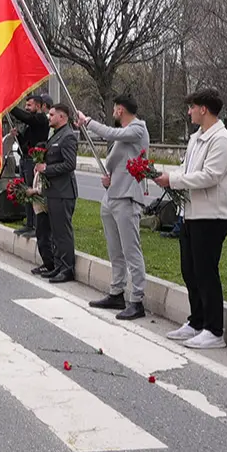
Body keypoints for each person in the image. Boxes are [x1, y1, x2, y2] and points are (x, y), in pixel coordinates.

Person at [157, 88, 227, 349]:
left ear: (204, 109)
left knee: (206, 272)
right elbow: (188, 170)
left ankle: (214, 330)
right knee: (189, 270)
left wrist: (175, 180)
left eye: (192, 107)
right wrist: (166, 175)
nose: (189, 112)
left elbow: (210, 176)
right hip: (190, 214)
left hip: (212, 216)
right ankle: (196, 321)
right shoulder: (195, 139)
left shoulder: (222, 140)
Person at [77, 95, 151, 321]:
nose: (113, 112)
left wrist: (88, 121)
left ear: (120, 110)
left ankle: (137, 299)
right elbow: (116, 163)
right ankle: (116, 291)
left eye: (114, 108)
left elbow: (110, 133)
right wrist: (110, 177)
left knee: (131, 250)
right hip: (112, 195)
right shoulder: (123, 138)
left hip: (127, 197)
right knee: (115, 250)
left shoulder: (137, 129)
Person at [35, 103, 79, 284]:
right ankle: (59, 266)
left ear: (62, 117)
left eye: (52, 115)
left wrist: (47, 168)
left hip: (63, 191)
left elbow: (70, 165)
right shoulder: (56, 136)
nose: (49, 117)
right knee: (56, 231)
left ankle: (67, 269)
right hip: (53, 191)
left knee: (63, 232)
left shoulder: (67, 137)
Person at [9, 95, 50, 233]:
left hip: (33, 162)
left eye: (29, 105)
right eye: (25, 105)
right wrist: (18, 136)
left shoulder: (40, 119)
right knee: (25, 191)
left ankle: (36, 225)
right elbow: (25, 143)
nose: (26, 108)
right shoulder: (30, 123)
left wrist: (9, 106)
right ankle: (29, 223)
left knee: (33, 192)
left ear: (38, 106)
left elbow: (26, 117)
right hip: (25, 159)